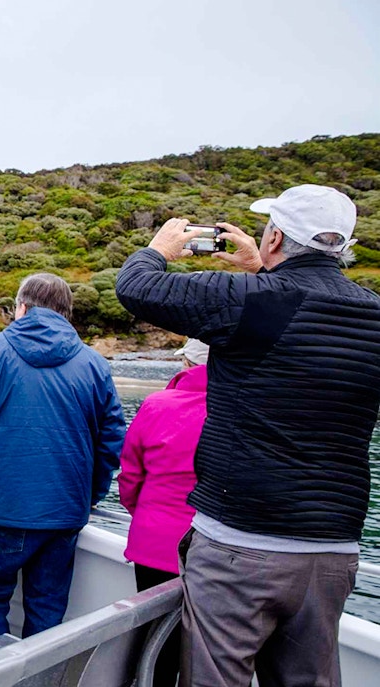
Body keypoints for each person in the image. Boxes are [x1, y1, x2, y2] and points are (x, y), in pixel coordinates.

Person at [114, 184, 380, 687]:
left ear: (274, 236)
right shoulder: (372, 314)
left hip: (241, 543)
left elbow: (136, 288)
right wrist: (261, 270)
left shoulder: (252, 302)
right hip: (332, 550)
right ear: (341, 247)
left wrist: (158, 250)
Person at [0, 273, 126, 642]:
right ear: (66, 314)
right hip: (65, 512)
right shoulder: (94, 365)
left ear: (22, 308)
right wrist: (90, 495)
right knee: (46, 607)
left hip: (4, 509)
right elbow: (112, 442)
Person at [117, 338, 208, 687]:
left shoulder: (157, 405)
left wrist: (141, 513)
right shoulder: (237, 409)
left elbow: (130, 475)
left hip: (154, 542)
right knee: (208, 645)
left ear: (186, 364)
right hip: (213, 547)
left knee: (154, 641)